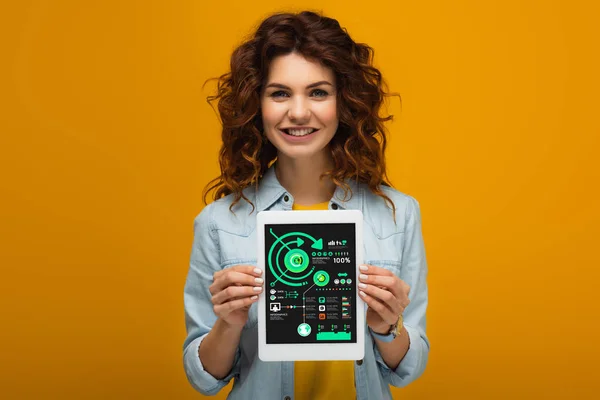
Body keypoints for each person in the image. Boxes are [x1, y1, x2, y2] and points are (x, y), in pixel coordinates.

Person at [183, 10, 429, 400]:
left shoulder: (398, 215)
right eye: (279, 93)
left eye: (318, 92)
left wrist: (388, 326)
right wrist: (228, 324)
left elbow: (408, 370)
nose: (298, 112)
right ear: (256, 104)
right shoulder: (217, 223)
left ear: (344, 102)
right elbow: (204, 378)